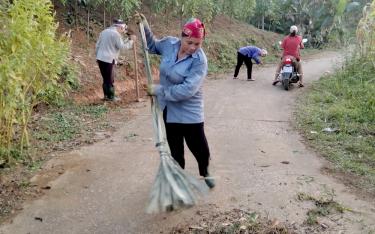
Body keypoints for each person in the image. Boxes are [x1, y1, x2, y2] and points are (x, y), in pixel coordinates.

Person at [135, 14, 215, 189]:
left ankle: (206, 171)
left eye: (198, 43)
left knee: (198, 147)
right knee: (175, 148)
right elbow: (151, 46)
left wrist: (159, 91)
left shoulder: (200, 61)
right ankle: (178, 181)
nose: (193, 47)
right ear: (182, 37)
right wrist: (145, 27)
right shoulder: (169, 45)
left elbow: (188, 89)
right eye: (189, 42)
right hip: (169, 109)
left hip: (190, 110)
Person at [95, 19, 136, 101]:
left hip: (100, 58)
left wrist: (97, 56)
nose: (123, 32)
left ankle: (106, 96)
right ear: (120, 27)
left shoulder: (104, 32)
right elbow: (123, 47)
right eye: (123, 29)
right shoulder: (116, 34)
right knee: (110, 79)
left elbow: (97, 45)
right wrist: (131, 41)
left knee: (105, 78)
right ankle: (111, 97)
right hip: (109, 59)